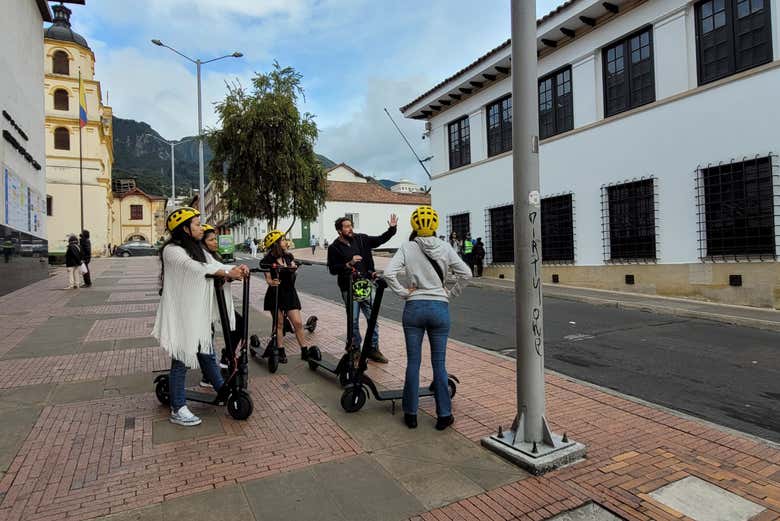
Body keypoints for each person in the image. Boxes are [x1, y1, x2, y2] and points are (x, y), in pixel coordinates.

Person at [152, 206, 248, 427]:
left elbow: (213, 265)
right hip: (183, 314)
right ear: (184, 229)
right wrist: (225, 272)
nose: (199, 227)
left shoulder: (197, 248)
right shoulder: (172, 250)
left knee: (207, 353)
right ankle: (177, 408)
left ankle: (223, 392)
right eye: (195, 224)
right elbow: (194, 268)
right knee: (182, 360)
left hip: (198, 313)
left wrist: (235, 269)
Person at [384, 206, 472, 430]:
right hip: (439, 308)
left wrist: (404, 293)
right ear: (435, 226)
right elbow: (466, 273)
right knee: (439, 364)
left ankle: (411, 414)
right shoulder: (445, 247)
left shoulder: (407, 247)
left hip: (413, 309)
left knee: (413, 362)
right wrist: (450, 294)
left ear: (414, 225)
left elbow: (388, 273)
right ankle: (444, 415)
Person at [327, 214, 397, 363]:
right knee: (353, 320)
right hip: (349, 287)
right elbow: (333, 269)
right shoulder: (334, 248)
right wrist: (349, 263)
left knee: (372, 318)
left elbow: (379, 240)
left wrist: (391, 229)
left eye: (351, 225)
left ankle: (372, 348)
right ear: (339, 231)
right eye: (346, 226)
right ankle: (355, 349)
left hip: (365, 286)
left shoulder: (361, 239)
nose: (350, 228)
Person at [261, 230, 311, 362]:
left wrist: (294, 269)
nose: (285, 242)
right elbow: (268, 278)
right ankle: (281, 351)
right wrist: (272, 282)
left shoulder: (288, 257)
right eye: (283, 240)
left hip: (289, 292)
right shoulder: (266, 260)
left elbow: (293, 272)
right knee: (279, 324)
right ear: (276, 244)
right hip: (275, 294)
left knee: (298, 323)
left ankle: (304, 350)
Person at [198, 224, 235, 389]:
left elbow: (219, 270)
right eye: (211, 239)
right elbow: (208, 271)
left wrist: (230, 274)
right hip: (204, 306)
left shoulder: (213, 256)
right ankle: (213, 380)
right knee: (202, 346)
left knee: (206, 344)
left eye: (215, 238)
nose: (215, 242)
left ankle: (212, 373)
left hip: (213, 304)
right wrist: (227, 274)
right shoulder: (199, 256)